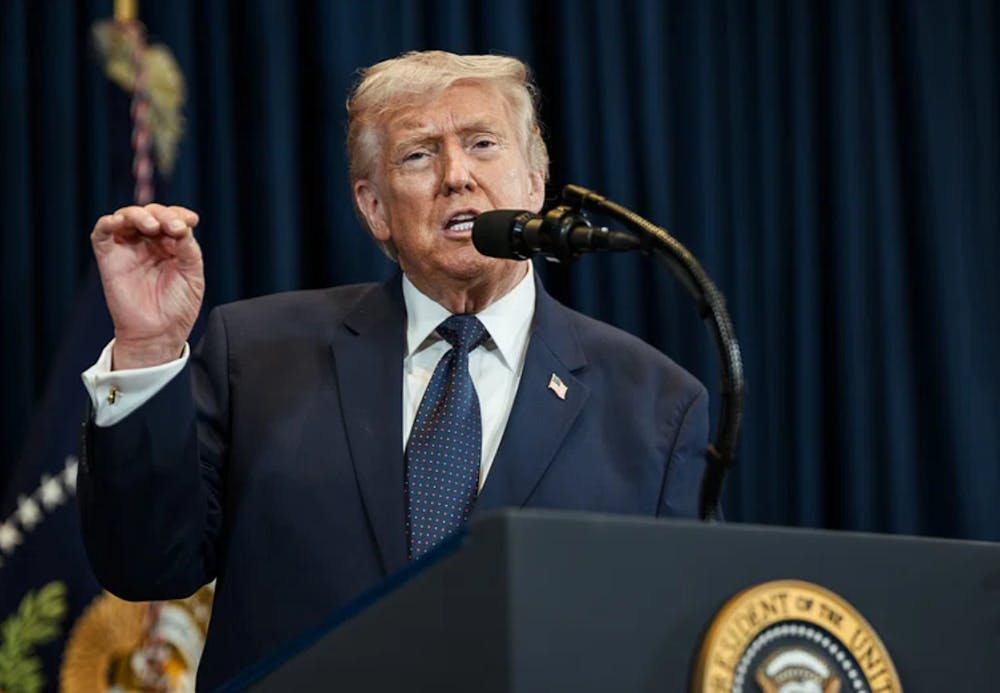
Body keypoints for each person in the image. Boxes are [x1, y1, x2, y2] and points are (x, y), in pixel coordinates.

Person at [79, 51, 709, 690]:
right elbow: (145, 566)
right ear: (374, 207)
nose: (457, 176)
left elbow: (669, 642)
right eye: (419, 155)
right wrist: (148, 350)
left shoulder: (654, 405)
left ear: (536, 182)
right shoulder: (256, 354)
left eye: (483, 144)